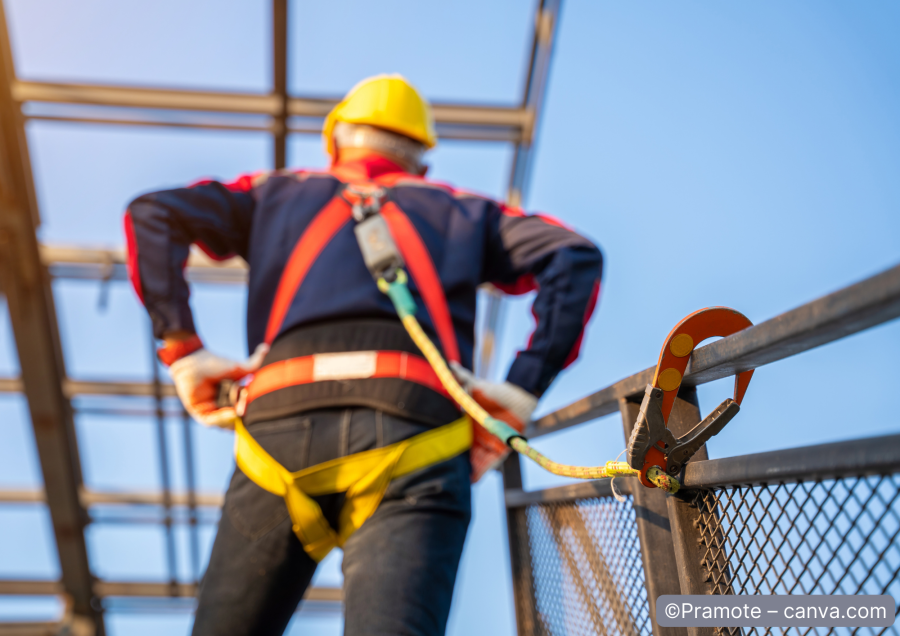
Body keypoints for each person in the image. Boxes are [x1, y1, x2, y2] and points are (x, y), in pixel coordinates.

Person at [124, 73, 603, 636]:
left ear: (337, 143)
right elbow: (572, 255)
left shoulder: (273, 192)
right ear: (421, 157)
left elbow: (151, 213)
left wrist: (183, 349)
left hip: (276, 429)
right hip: (415, 431)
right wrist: (523, 386)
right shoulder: (467, 211)